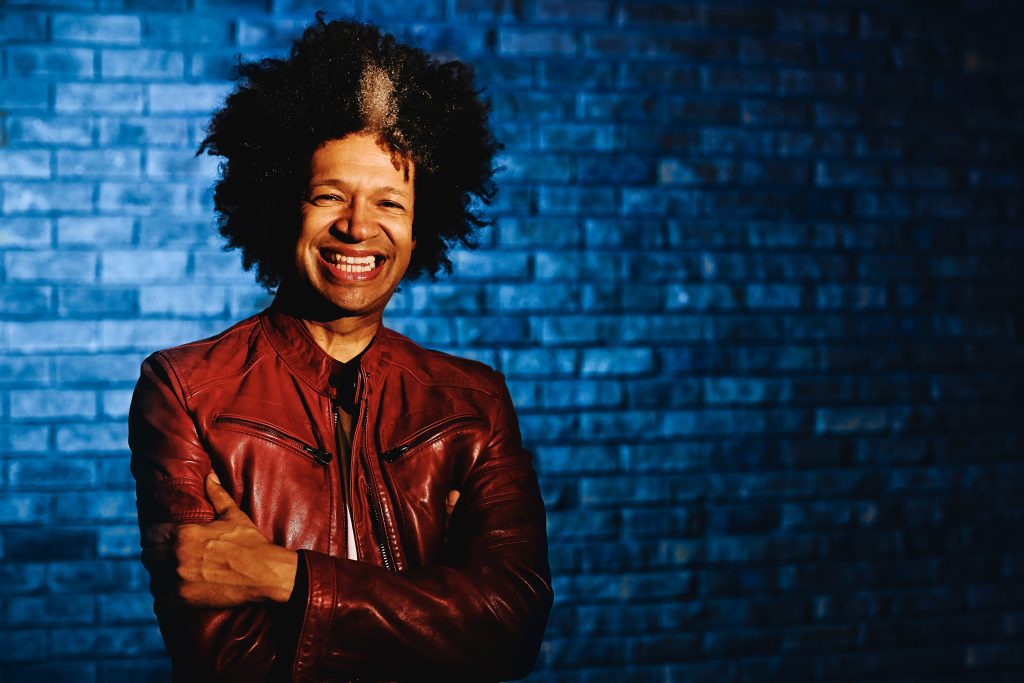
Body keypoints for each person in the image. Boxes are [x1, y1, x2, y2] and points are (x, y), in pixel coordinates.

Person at [128, 17, 552, 682]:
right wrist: (438, 611)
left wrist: (281, 576)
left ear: (419, 230)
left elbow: (512, 625)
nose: (358, 227)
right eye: (330, 195)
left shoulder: (473, 403)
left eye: (390, 203)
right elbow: (227, 661)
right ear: (281, 207)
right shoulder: (186, 391)